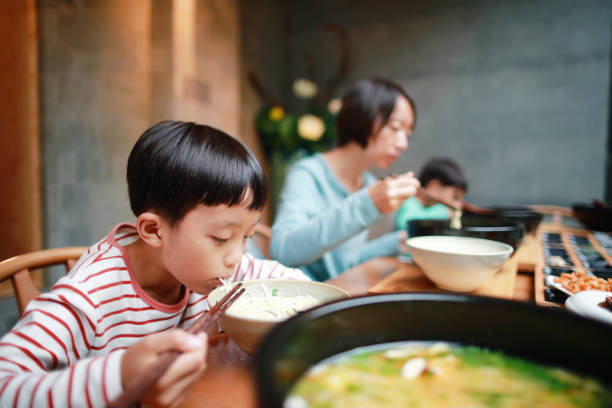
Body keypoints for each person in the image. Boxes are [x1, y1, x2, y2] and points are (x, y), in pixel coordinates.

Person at [0, 121, 308, 407]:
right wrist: (118, 376)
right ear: (154, 230)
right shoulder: (89, 295)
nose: (237, 257)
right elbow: (5, 386)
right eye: (221, 237)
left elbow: (290, 285)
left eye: (247, 237)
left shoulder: (216, 269)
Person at [270, 78, 420, 281]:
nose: (403, 144)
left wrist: (398, 242)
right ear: (362, 117)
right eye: (394, 128)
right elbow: (283, 251)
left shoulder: (367, 183)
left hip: (341, 294)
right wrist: (368, 204)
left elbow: (343, 264)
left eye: (407, 133)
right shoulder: (307, 174)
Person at [395, 157, 468, 231]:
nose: (458, 205)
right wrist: (444, 213)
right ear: (434, 188)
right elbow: (405, 223)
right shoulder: (409, 200)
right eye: (455, 197)